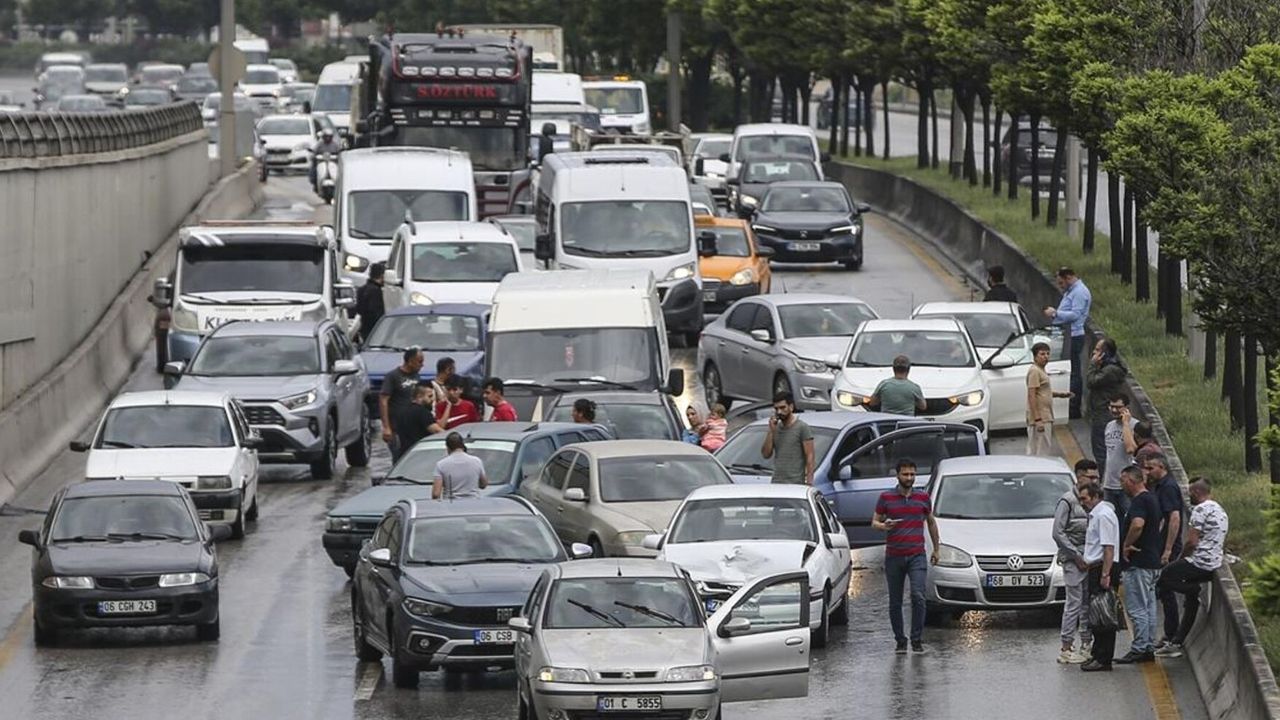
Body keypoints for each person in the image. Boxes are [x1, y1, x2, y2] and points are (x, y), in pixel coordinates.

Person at [1155, 478, 1229, 658]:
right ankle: (1177, 641)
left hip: (1200, 561)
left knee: (1165, 577)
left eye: (1190, 494)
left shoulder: (1200, 510)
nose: (1189, 498)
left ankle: (1191, 590)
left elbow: (1191, 542)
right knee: (1191, 601)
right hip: (1213, 561)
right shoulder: (1220, 510)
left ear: (1196, 493)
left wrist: (1180, 559)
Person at [872, 459, 939, 653]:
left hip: (917, 555)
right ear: (898, 475)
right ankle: (900, 640)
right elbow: (874, 522)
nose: (909, 478)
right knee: (895, 601)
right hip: (894, 556)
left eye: (912, 474)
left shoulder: (923, 497)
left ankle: (916, 639)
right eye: (905, 474)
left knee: (918, 595)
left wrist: (936, 548)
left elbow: (931, 522)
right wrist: (884, 526)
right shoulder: (886, 497)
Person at [1116, 465, 1161, 664]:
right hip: (1152, 561)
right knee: (1149, 606)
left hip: (1139, 563)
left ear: (1132, 481)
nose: (1121, 484)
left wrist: (1127, 545)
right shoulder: (1152, 498)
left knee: (1137, 608)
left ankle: (1140, 646)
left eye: (1123, 480)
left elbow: (1137, 524)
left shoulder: (1140, 501)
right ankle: (1148, 644)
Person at [1053, 459, 1097, 664]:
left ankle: (1086, 644)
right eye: (1091, 477)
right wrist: (1075, 556)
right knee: (1074, 603)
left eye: (1096, 477)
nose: (1095, 480)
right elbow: (1058, 533)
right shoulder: (1068, 501)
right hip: (1074, 560)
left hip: (1090, 559)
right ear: (1079, 476)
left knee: (1087, 604)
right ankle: (1066, 647)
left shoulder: (1094, 500)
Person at [1144, 454, 1185, 650]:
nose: (1148, 472)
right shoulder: (1159, 485)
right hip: (1161, 544)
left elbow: (1174, 518)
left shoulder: (1168, 487)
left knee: (1165, 589)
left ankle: (1171, 634)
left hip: (1168, 546)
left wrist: (1168, 549)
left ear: (1161, 466)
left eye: (1151, 468)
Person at [1079, 482, 1120, 672]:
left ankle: (1104, 658)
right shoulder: (1097, 515)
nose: (1082, 503)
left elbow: (1108, 547)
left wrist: (1105, 573)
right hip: (1095, 567)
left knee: (1103, 614)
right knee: (1096, 614)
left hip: (1103, 567)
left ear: (1095, 496)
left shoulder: (1103, 516)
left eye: (1085, 499)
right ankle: (1097, 653)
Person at [1043, 267, 1092, 418]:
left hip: (1074, 335)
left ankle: (1073, 407)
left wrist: (1056, 313)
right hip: (1067, 333)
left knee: (1073, 373)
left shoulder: (1079, 292)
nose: (1060, 286)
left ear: (1069, 277)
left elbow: (1075, 315)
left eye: (1061, 283)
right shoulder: (1072, 291)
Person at [1087, 337, 1127, 471]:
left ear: (1105, 353)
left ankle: (1105, 479)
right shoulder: (1106, 367)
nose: (1094, 353)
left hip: (1103, 414)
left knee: (1101, 451)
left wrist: (1092, 365)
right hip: (1099, 412)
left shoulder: (1111, 370)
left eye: (1098, 350)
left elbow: (1091, 382)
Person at [1026, 342, 1073, 456]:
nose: (1046, 357)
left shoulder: (1041, 370)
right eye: (1042, 354)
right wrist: (1038, 419)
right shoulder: (1034, 371)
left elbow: (1043, 392)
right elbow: (1032, 395)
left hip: (1046, 414)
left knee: (1044, 446)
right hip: (1041, 416)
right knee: (1040, 449)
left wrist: (1060, 395)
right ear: (1035, 356)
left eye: (1047, 354)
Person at [760, 391, 815, 484]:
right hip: (777, 482)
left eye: (782, 408)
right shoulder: (775, 428)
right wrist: (771, 431)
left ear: (791, 407)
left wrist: (809, 482)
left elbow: (810, 456)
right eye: (776, 409)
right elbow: (766, 454)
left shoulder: (802, 427)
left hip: (795, 482)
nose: (779, 412)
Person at [380, 347, 423, 461]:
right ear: (410, 361)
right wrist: (386, 427)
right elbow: (384, 400)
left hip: (412, 426)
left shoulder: (417, 376)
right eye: (419, 362)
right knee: (399, 458)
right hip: (396, 427)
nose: (422, 365)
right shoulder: (393, 376)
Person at [1101, 395, 1137, 516]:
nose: (1114, 410)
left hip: (1125, 486)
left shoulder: (1134, 425)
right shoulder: (1109, 426)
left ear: (1126, 408)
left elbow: (1130, 449)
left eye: (1118, 407)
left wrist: (1125, 423)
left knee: (1128, 518)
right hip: (1109, 484)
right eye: (1112, 407)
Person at [431, 432, 489, 500]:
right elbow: (483, 485)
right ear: (462, 445)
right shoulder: (477, 461)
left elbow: (436, 494)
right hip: (473, 503)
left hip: (451, 505)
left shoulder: (441, 464)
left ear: (447, 447)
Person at [355, 262, 386, 342]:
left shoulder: (361, 289)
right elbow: (376, 313)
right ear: (382, 276)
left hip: (363, 328)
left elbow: (358, 309)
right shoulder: (376, 291)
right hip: (373, 331)